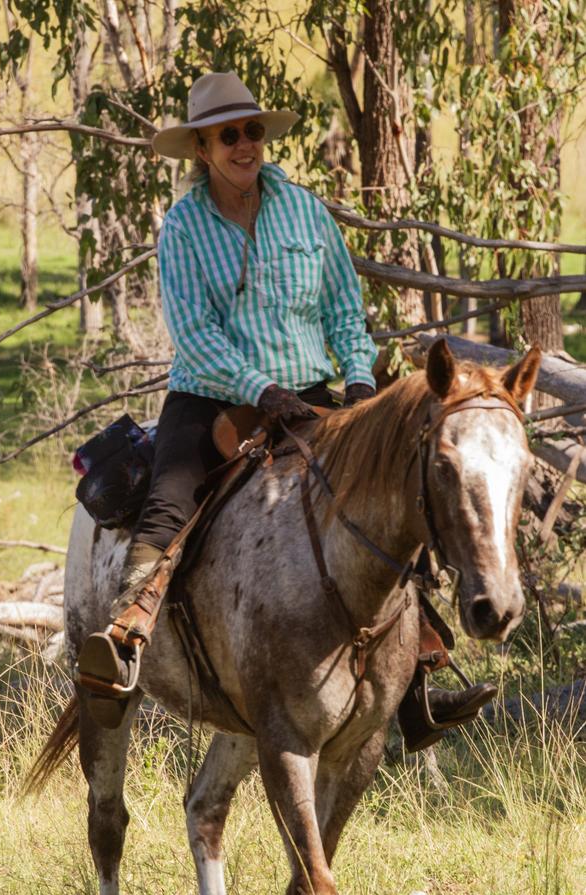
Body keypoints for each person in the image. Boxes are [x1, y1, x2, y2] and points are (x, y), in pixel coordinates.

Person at [78, 72, 495, 744]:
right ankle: (128, 634)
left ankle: (416, 673)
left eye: (252, 132)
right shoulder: (183, 227)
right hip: (212, 393)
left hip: (308, 396)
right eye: (228, 135)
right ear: (203, 150)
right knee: (170, 498)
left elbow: (341, 310)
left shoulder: (305, 212)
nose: (245, 144)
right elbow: (195, 334)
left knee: (394, 503)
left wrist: (360, 384)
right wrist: (258, 389)